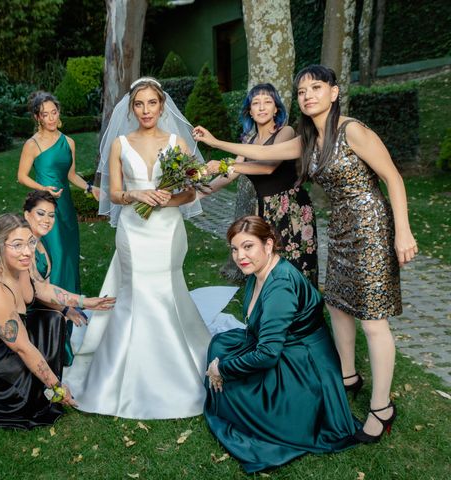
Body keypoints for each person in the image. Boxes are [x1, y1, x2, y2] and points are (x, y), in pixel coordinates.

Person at [194, 65, 418, 443]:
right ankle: (346, 375)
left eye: (316, 87)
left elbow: (393, 177)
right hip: (342, 228)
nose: (308, 95)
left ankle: (381, 407)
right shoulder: (308, 139)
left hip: (373, 226)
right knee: (337, 304)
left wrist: (404, 232)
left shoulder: (352, 130)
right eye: (301, 91)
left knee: (372, 320)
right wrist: (218, 146)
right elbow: (263, 156)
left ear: (333, 92)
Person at [63, 77, 211, 419]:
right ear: (132, 108)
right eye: (139, 104)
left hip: (167, 228)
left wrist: (166, 198)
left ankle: (177, 362)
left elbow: (191, 193)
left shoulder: (178, 142)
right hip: (132, 227)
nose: (146, 110)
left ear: (162, 106)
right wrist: (136, 195)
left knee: (165, 289)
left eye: (152, 103)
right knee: (136, 290)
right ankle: (124, 368)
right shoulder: (119, 143)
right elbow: (114, 194)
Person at [204, 216, 359, 473]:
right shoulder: (258, 270)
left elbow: (267, 355)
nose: (240, 255)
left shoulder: (281, 286)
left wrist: (223, 370)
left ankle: (282, 416)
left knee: (233, 385)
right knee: (220, 344)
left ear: (268, 244)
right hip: (282, 346)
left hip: (303, 363)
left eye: (247, 246)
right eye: (234, 248)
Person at [0, 213, 114, 430]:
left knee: (52, 319)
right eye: (17, 245)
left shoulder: (19, 259)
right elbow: (23, 348)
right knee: (31, 394)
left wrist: (85, 302)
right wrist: (57, 388)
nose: (27, 251)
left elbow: (37, 291)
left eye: (30, 242)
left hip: (2, 337)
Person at [202, 83, 318, 285]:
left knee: (298, 265)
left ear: (276, 109)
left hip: (292, 210)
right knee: (271, 267)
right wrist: (199, 193)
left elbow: (268, 166)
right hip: (266, 210)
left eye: (268, 102)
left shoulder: (286, 132)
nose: (262, 107)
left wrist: (224, 162)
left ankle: (304, 313)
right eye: (256, 103)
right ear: (249, 111)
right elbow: (230, 174)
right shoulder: (249, 141)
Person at [18, 91, 99, 365]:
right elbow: (21, 176)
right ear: (37, 117)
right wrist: (43, 188)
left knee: (69, 259)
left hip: (65, 211)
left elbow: (72, 175)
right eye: (45, 114)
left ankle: (71, 312)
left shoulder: (69, 143)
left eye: (54, 112)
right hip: (45, 209)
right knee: (56, 259)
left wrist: (89, 187)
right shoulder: (33, 144)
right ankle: (54, 324)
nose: (51, 118)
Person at [22, 189, 87, 328]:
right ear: (27, 215)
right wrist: (83, 302)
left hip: (38, 308)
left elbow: (43, 288)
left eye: (51, 215)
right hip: (21, 316)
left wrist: (64, 309)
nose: (46, 220)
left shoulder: (42, 243)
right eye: (40, 213)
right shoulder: (22, 247)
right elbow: (38, 290)